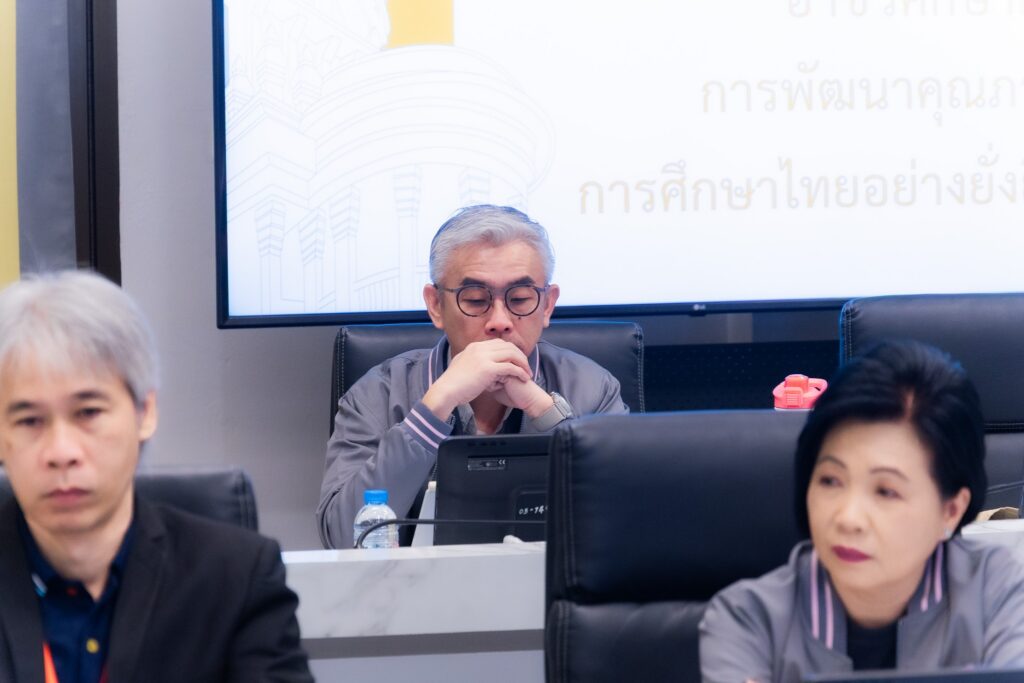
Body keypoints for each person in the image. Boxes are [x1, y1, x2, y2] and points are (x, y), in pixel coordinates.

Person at [0, 271, 313, 683]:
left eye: (88, 412)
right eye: (29, 420)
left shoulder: (235, 579)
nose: (61, 452)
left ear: (145, 413)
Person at [700, 340, 1024, 682]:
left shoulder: (998, 593)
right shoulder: (748, 620)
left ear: (951, 510)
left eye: (886, 491)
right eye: (830, 480)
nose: (848, 519)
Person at [317, 204, 628, 548]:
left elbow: (626, 524)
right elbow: (341, 539)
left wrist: (544, 412)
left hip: (549, 582)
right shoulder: (378, 394)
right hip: (416, 584)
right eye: (477, 300)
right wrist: (434, 408)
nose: (500, 321)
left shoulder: (593, 388)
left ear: (548, 305)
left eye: (520, 299)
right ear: (436, 305)